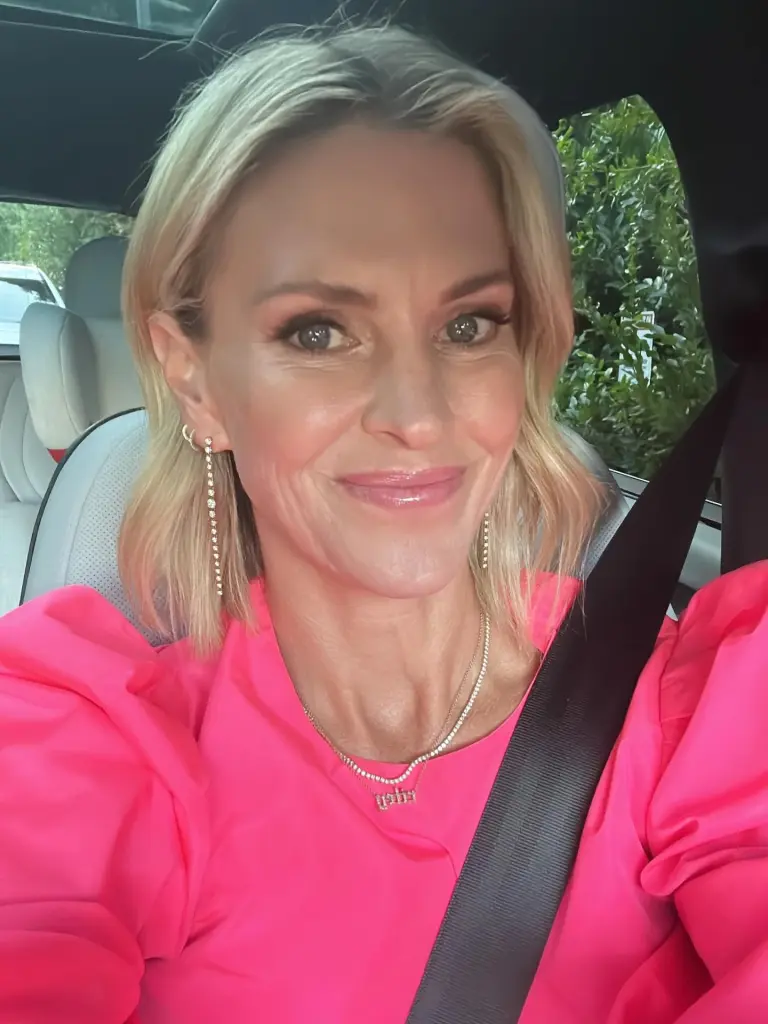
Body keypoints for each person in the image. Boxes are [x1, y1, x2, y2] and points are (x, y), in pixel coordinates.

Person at [0, 22, 766, 1024]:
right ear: (195, 381)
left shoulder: (686, 705)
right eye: (318, 332)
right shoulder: (91, 744)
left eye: (468, 324)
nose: (418, 413)